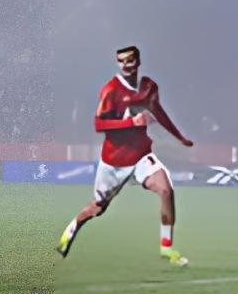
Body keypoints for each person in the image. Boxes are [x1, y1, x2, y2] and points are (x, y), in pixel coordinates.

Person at [56, 45, 194, 266]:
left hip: (140, 155)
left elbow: (158, 113)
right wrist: (131, 122)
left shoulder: (148, 87)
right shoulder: (111, 90)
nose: (126, 65)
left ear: (138, 61)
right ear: (118, 63)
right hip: (113, 162)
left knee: (166, 189)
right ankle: (70, 230)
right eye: (121, 61)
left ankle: (167, 248)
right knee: (97, 208)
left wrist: (179, 137)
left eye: (130, 60)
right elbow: (98, 124)